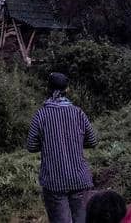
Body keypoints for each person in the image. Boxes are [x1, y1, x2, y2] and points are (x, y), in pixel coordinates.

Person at [26, 72, 99, 223]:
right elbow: (92, 141)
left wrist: (48, 143)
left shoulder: (41, 115)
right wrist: (75, 142)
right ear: (67, 90)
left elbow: (31, 146)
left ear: (48, 89)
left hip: (54, 182)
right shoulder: (78, 113)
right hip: (79, 179)